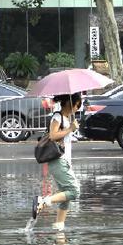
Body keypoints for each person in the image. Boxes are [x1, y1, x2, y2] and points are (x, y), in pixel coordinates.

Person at [32, 93, 81, 231]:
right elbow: (53, 136)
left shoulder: (66, 118)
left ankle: (59, 227)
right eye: (78, 105)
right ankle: (42, 201)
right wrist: (70, 129)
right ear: (70, 103)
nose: (78, 109)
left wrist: (71, 127)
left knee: (65, 197)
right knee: (74, 191)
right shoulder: (57, 117)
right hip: (58, 161)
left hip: (64, 161)